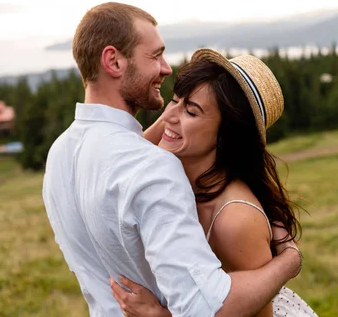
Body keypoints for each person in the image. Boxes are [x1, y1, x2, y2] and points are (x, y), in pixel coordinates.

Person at [42, 2, 303, 317]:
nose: (165, 69)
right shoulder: (150, 166)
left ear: (225, 134)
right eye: (155, 56)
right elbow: (206, 309)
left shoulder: (61, 153)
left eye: (190, 109)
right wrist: (289, 261)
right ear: (113, 60)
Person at [109, 49, 318, 317]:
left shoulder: (235, 220)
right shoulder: (175, 169)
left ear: (226, 135)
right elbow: (127, 158)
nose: (168, 117)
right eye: (174, 101)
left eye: (192, 112)